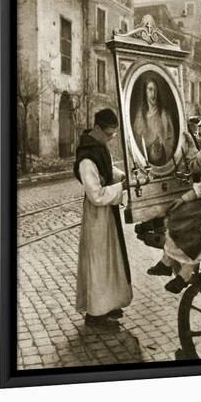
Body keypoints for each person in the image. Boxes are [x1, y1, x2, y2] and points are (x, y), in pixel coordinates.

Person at [147, 117, 201, 294]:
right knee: (177, 213)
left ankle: (183, 274)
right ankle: (167, 263)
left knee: (184, 216)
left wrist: (184, 198)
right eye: (199, 135)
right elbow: (196, 163)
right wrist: (190, 145)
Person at [74, 108, 133, 330]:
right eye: (109, 134)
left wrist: (121, 176)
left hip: (107, 216)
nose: (111, 138)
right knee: (99, 264)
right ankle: (95, 314)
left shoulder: (98, 147)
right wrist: (121, 186)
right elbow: (96, 194)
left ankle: (109, 304)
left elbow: (107, 171)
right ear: (97, 129)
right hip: (97, 216)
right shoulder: (86, 158)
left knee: (110, 261)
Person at [133, 77, 175, 166]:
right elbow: (137, 140)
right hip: (147, 161)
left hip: (163, 159)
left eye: (155, 90)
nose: (153, 94)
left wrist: (162, 144)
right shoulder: (140, 115)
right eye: (150, 89)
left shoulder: (164, 114)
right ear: (145, 92)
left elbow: (171, 139)